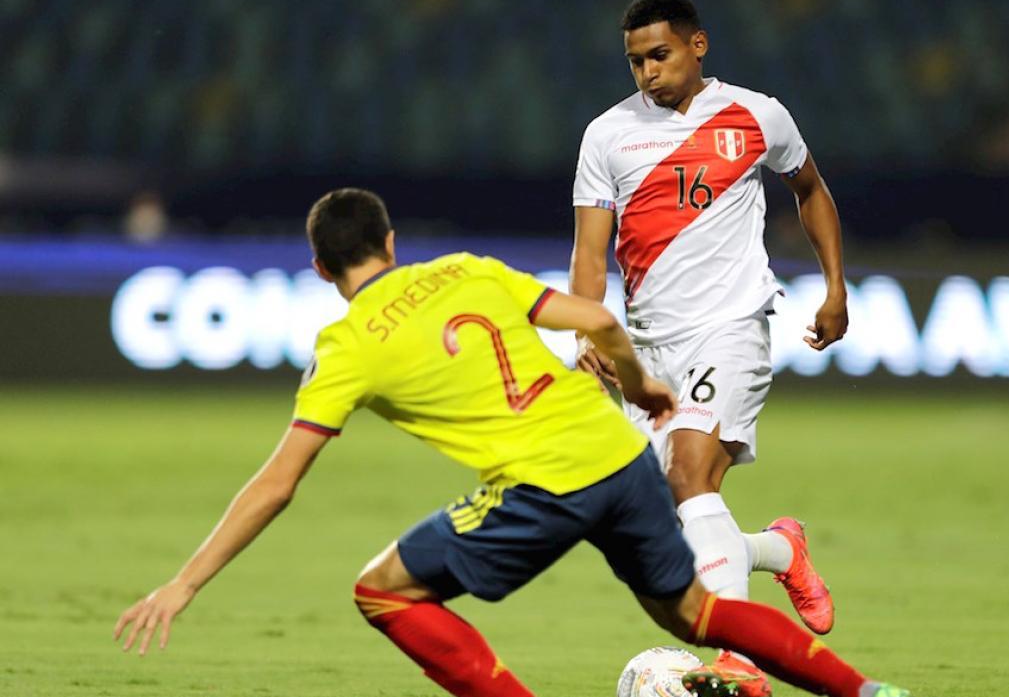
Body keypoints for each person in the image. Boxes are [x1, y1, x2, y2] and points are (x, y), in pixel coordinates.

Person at [112, 189, 907, 697]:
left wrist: (183, 584)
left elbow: (278, 483)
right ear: (390, 241)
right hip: (619, 453)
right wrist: (638, 387)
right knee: (696, 611)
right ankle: (866, 691)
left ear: (322, 269)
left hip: (544, 486)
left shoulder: (346, 342)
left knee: (383, 589)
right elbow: (598, 320)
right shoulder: (466, 269)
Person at [571, 0, 852, 690]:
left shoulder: (757, 115)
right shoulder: (607, 135)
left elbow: (810, 189)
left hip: (731, 326)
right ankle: (780, 549)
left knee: (690, 475)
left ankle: (742, 662)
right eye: (635, 61)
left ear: (698, 46)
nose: (647, 73)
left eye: (659, 55)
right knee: (678, 517)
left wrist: (835, 287)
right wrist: (589, 330)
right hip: (648, 348)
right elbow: (589, 252)